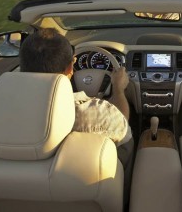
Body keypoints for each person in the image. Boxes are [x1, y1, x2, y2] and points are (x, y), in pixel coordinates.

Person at [18, 28, 133, 170]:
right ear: (71, 67)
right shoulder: (99, 114)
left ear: (22, 68)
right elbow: (122, 126)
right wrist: (118, 89)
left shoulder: (4, 111)